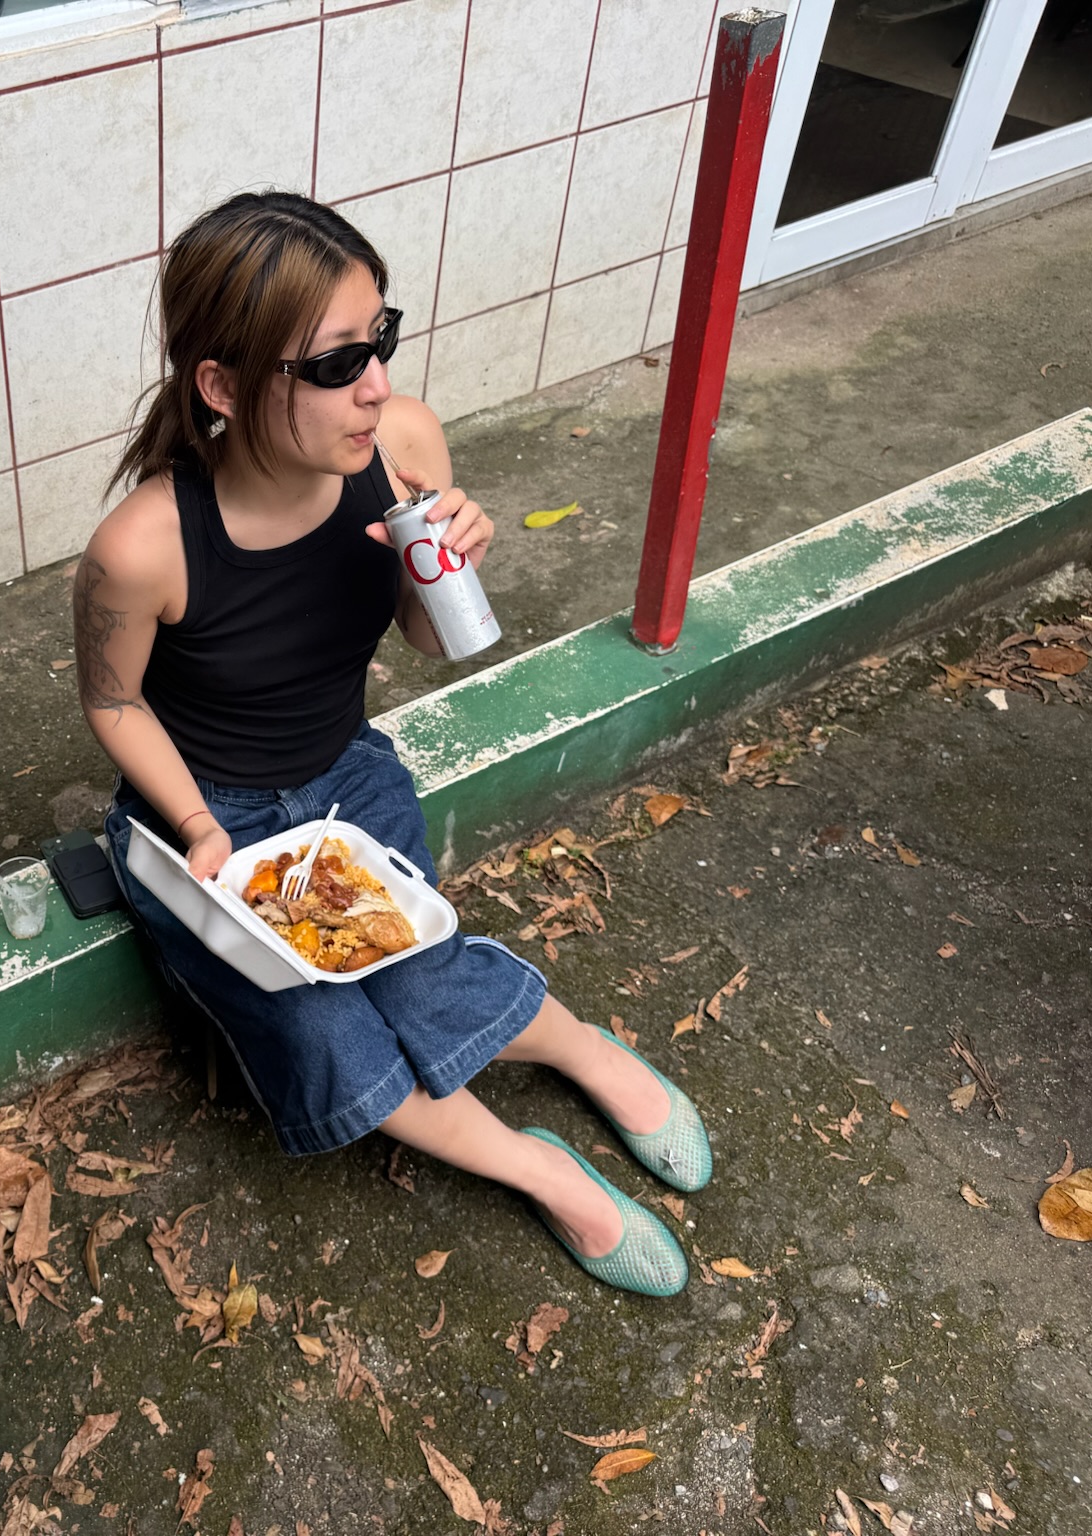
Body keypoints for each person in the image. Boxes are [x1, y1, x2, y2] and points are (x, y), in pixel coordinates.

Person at [73, 192, 711, 1297]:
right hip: (206, 817)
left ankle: (577, 1047)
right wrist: (196, 829)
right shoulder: (143, 544)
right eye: (331, 364)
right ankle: (539, 1170)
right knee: (323, 1031)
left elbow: (425, 642)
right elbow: (112, 703)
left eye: (380, 341)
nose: (372, 385)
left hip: (344, 781)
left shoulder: (400, 443)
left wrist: (447, 565)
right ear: (221, 386)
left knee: (413, 975)